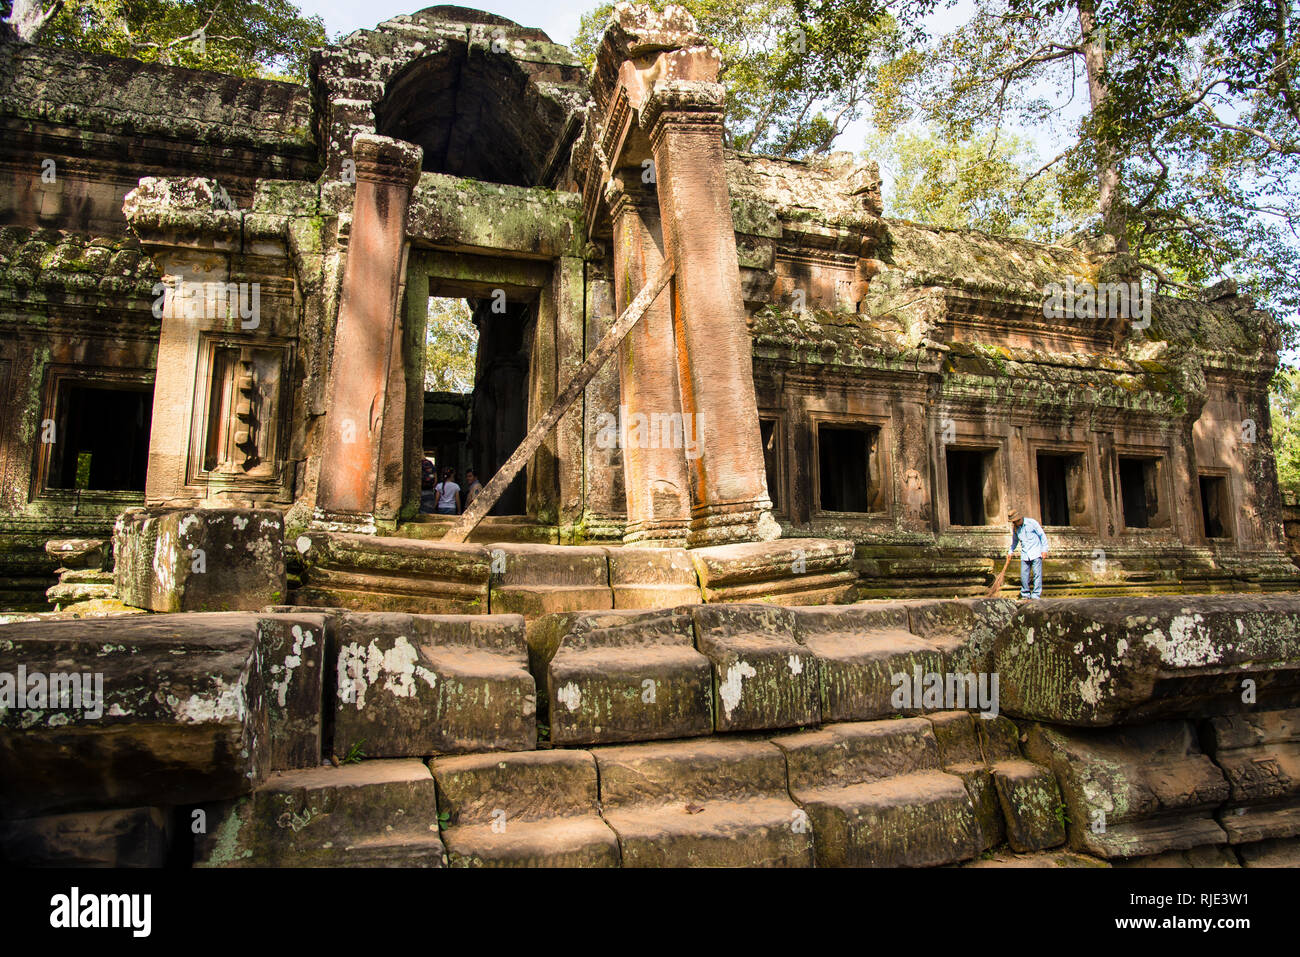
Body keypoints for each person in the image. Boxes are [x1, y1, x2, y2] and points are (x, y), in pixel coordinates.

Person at [1006, 507, 1048, 601]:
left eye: (1015, 521)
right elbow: (1015, 541)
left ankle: (1036, 595)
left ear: (1019, 519)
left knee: (1037, 575)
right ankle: (1025, 594)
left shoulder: (1032, 523)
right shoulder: (1016, 529)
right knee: (1024, 576)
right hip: (1025, 554)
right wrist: (1010, 551)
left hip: (1036, 552)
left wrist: (1044, 550)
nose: (1014, 523)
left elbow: (1042, 535)